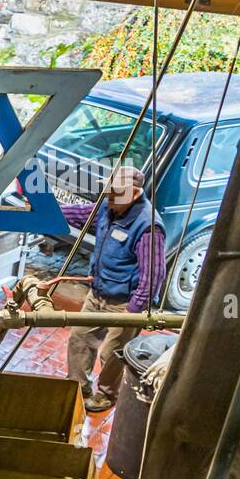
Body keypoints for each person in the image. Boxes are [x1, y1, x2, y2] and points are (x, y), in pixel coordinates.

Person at [62, 166, 165, 413]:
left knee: (112, 353)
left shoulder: (148, 227)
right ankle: (78, 388)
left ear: (135, 194)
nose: (108, 196)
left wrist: (133, 311)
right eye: (108, 190)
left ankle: (106, 394)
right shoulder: (109, 209)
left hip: (125, 303)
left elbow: (153, 276)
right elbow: (80, 215)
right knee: (79, 339)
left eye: (115, 192)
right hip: (97, 292)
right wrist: (48, 212)